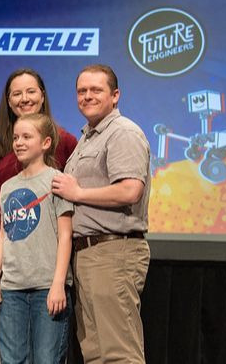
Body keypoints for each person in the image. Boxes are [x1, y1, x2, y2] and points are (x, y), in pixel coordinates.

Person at [0, 68, 77, 363]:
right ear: (8, 100)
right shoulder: (0, 146)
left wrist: (58, 281)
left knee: (47, 353)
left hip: (46, 265)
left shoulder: (65, 142)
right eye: (17, 93)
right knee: (4, 350)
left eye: (31, 91)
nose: (24, 98)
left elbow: (69, 216)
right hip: (7, 267)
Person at [51, 64, 151, 363]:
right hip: (88, 256)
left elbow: (130, 190)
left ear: (115, 95)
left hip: (113, 251)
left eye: (96, 90)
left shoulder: (123, 133)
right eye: (82, 91)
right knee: (95, 353)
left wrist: (78, 193)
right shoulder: (88, 137)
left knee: (119, 353)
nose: (87, 96)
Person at [0, 113, 74, 364]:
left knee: (47, 358)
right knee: (12, 359)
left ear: (45, 143)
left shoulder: (56, 181)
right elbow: (4, 236)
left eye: (26, 137)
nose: (19, 143)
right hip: (12, 288)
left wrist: (58, 283)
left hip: (47, 286)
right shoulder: (8, 187)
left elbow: (65, 235)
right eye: (15, 138)